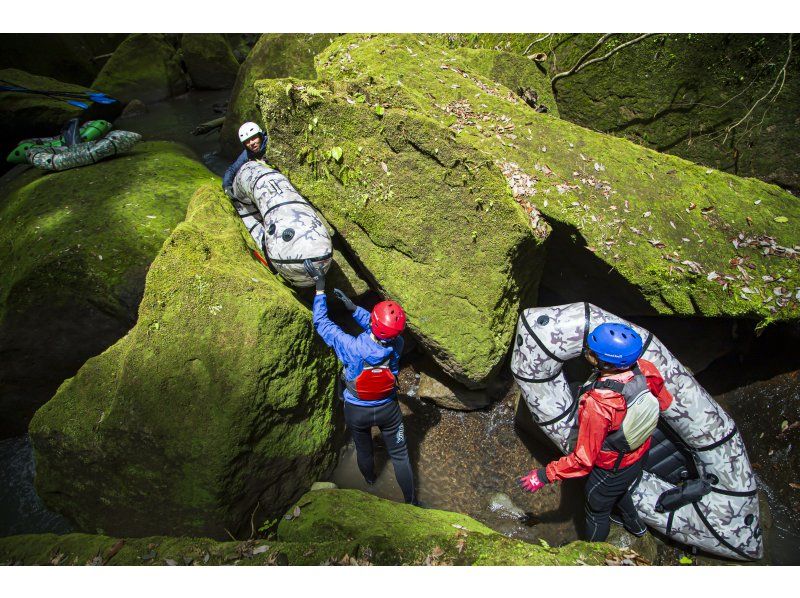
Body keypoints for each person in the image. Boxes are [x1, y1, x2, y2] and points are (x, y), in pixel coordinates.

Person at [517, 322, 673, 541]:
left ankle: (593, 554)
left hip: (611, 467)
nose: (586, 352)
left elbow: (584, 460)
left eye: (591, 352)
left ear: (607, 363)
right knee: (617, 490)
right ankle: (636, 526)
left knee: (596, 509)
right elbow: (664, 402)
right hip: (639, 452)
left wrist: (545, 475)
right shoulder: (646, 369)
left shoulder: (600, 403)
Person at [303, 259, 418, 505]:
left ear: (374, 323)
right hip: (389, 410)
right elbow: (382, 333)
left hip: (357, 411)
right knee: (400, 455)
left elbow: (322, 323)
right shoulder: (398, 343)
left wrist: (320, 288)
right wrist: (354, 310)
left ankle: (368, 482)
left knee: (364, 449)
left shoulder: (351, 348)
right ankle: (411, 502)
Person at [221, 122, 269, 249]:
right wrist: (227, 186)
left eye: (254, 138)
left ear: (260, 135)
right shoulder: (247, 154)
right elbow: (231, 170)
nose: (252, 143)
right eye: (247, 141)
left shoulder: (271, 144)